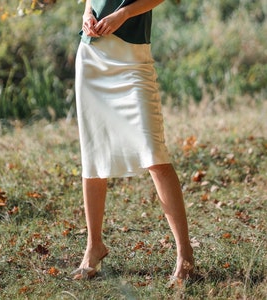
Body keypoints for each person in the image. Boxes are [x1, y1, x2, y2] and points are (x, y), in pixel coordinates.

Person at [72, 0, 194, 282]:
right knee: (93, 154)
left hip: (132, 60)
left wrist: (123, 14)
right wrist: (86, 13)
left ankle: (185, 254)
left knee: (155, 154)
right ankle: (94, 246)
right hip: (92, 56)